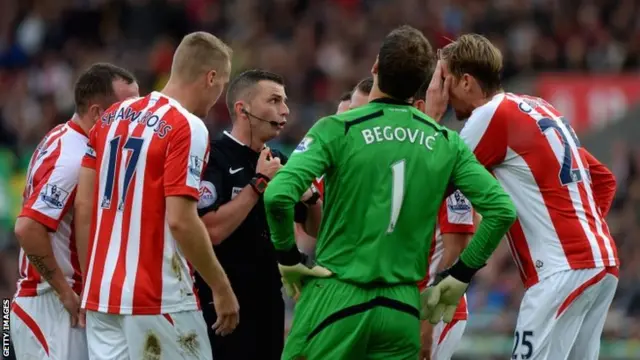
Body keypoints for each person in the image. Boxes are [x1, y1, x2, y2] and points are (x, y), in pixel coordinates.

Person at [263, 25, 516, 360]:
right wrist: (459, 276)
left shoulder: (339, 128)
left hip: (337, 297)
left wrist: (288, 259)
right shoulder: (446, 143)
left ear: (375, 68)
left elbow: (277, 195)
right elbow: (501, 210)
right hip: (402, 309)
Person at [429, 34, 619, 360]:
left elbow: (431, 184)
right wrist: (580, 232)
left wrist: (431, 115)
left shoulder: (488, 116)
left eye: (443, 81)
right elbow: (603, 179)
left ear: (465, 81)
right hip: (602, 263)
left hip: (561, 270)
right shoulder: (538, 107)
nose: (442, 91)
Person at [74, 32, 239, 360]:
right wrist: (221, 287)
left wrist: (92, 280)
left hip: (102, 296)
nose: (219, 97)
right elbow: (181, 221)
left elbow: (84, 205)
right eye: (222, 85)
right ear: (210, 78)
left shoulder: (110, 118)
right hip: (158, 298)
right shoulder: (186, 126)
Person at [10, 63, 139, 360]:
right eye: (127, 110)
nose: (136, 119)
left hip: (53, 303)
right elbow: (27, 227)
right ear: (96, 112)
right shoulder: (73, 160)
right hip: (51, 306)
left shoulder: (65, 136)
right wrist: (64, 292)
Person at [195, 69, 322, 360]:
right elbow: (211, 230)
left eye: (285, 101)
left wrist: (311, 198)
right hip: (221, 301)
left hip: (268, 300)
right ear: (244, 109)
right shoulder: (213, 155)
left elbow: (316, 229)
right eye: (275, 101)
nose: (285, 110)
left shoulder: (281, 161)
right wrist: (258, 184)